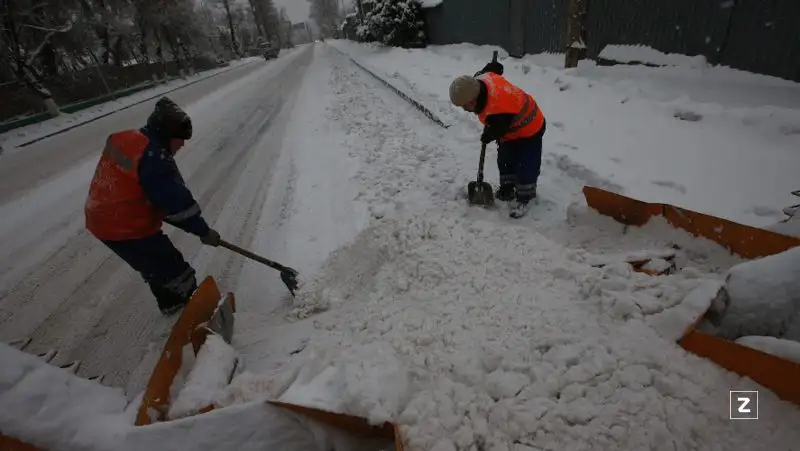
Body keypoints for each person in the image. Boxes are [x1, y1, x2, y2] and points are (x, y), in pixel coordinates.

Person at [84, 97, 221, 316]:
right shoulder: (155, 159)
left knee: (153, 264)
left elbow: (130, 178)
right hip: (125, 225)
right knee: (174, 269)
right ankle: (199, 315)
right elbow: (178, 205)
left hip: (99, 217)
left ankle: (170, 303)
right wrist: (204, 232)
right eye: (180, 139)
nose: (183, 144)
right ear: (167, 134)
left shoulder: (125, 139)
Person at [449, 58, 547, 219]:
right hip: (511, 129)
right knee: (505, 157)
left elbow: (499, 128)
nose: (465, 110)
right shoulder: (478, 81)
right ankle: (507, 189)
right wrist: (493, 68)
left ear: (473, 100)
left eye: (465, 106)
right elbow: (491, 70)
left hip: (530, 127)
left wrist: (489, 135)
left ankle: (524, 198)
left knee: (525, 163)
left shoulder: (498, 106)